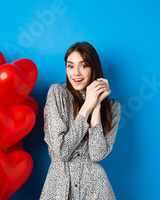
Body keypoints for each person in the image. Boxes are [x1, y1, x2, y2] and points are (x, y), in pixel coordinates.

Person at [40, 42, 121, 199]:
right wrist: (87, 107)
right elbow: (62, 152)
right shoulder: (57, 94)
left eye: (83, 66)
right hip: (59, 186)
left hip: (95, 189)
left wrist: (96, 106)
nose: (75, 73)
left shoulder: (113, 107)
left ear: (94, 68)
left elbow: (96, 155)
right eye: (70, 66)